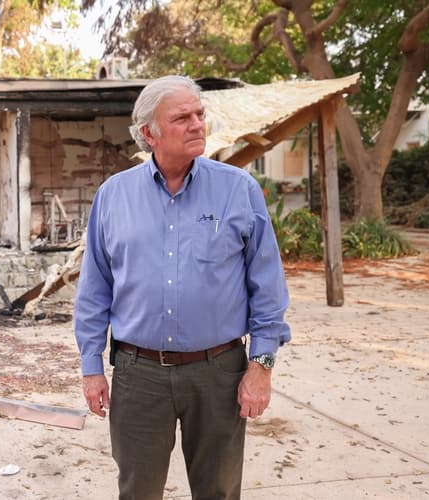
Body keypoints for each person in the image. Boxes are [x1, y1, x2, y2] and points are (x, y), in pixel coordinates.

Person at [73, 75, 291, 500]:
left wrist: (260, 368)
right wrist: (91, 367)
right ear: (149, 134)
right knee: (137, 491)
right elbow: (95, 288)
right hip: (139, 375)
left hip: (219, 374)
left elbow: (267, 287)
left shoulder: (238, 190)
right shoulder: (113, 197)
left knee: (219, 491)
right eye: (182, 118)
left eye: (199, 114)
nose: (197, 125)